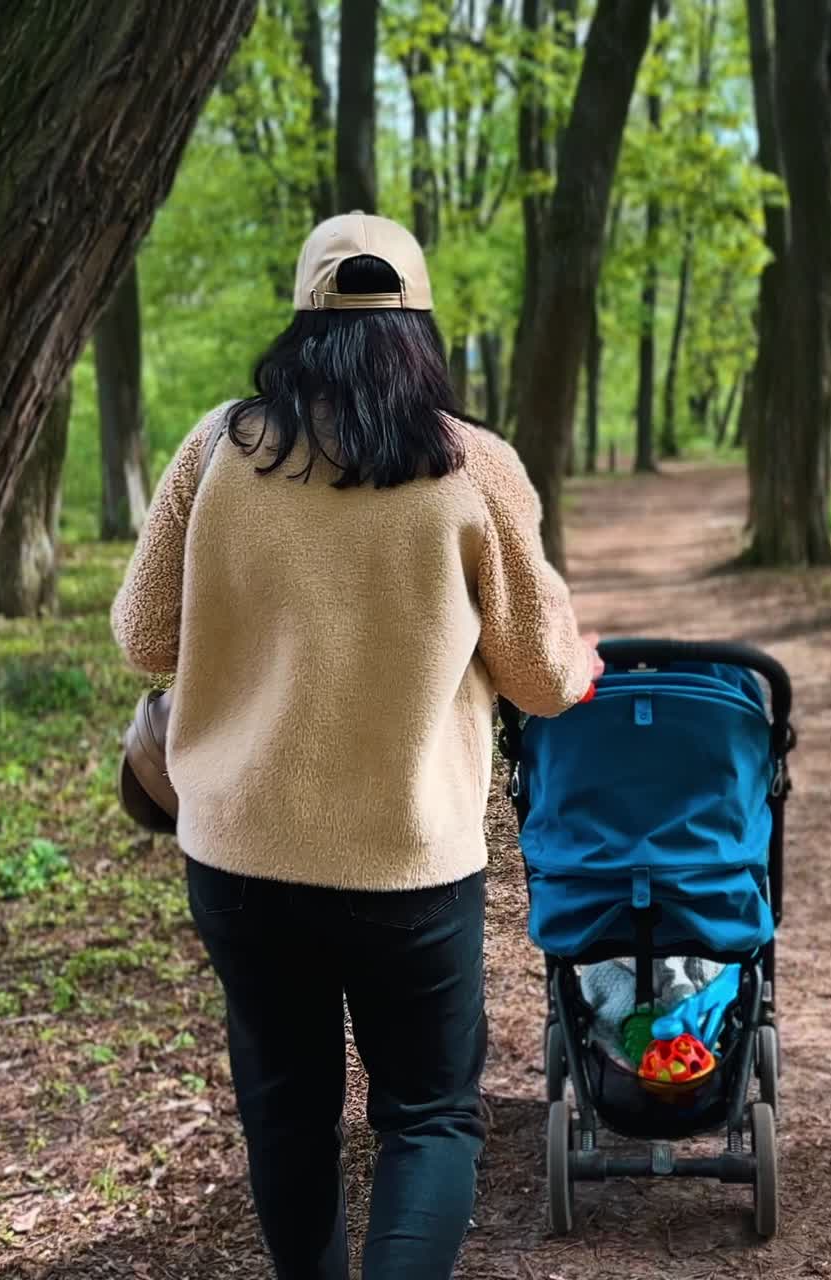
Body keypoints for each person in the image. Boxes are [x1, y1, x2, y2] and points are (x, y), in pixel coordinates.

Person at [110, 211, 602, 1280]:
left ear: (301, 320)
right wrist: (573, 656)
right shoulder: (473, 466)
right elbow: (543, 676)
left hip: (241, 857)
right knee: (427, 1118)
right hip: (408, 863)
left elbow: (143, 636)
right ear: (418, 326)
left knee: (287, 1117)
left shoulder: (216, 447)